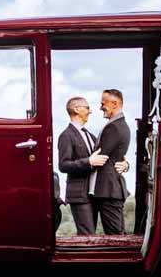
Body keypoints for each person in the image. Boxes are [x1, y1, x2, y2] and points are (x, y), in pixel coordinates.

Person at [57, 96, 103, 235]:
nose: (90, 111)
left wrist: (125, 162)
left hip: (92, 193)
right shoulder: (66, 135)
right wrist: (88, 162)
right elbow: (63, 165)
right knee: (87, 235)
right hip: (79, 195)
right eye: (87, 107)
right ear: (76, 109)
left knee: (90, 236)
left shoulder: (89, 134)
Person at [91, 88, 132, 235]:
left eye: (103, 103)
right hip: (111, 188)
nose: (100, 107)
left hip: (108, 190)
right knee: (116, 233)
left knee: (116, 236)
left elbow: (99, 156)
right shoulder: (119, 125)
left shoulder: (114, 127)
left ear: (115, 104)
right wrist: (126, 164)